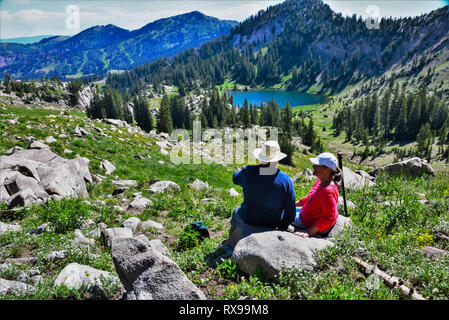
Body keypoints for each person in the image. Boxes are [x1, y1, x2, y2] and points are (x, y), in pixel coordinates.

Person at [205, 140, 296, 266]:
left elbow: (235, 178)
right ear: (277, 159)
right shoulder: (285, 180)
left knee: (236, 212)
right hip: (271, 223)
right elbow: (290, 212)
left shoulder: (248, 171)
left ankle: (230, 242)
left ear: (261, 157)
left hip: (247, 218)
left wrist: (244, 170)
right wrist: (281, 226)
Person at [292, 152, 341, 238]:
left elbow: (330, 217)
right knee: (283, 208)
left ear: (328, 170)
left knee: (278, 214)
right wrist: (297, 203)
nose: (313, 166)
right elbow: (311, 197)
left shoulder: (327, 192)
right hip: (306, 214)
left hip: (308, 222)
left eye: (317, 165)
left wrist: (308, 232)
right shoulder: (321, 181)